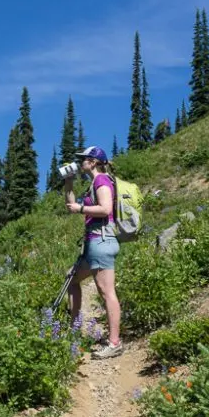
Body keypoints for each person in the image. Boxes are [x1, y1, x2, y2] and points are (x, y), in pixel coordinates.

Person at [63, 145, 123, 359]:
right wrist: (68, 184)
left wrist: (81, 209)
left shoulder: (101, 180)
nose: (81, 162)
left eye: (85, 159)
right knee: (71, 278)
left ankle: (114, 343)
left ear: (95, 161)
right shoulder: (93, 183)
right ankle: (74, 331)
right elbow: (72, 206)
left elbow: (106, 208)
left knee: (107, 292)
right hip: (94, 244)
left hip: (101, 241)